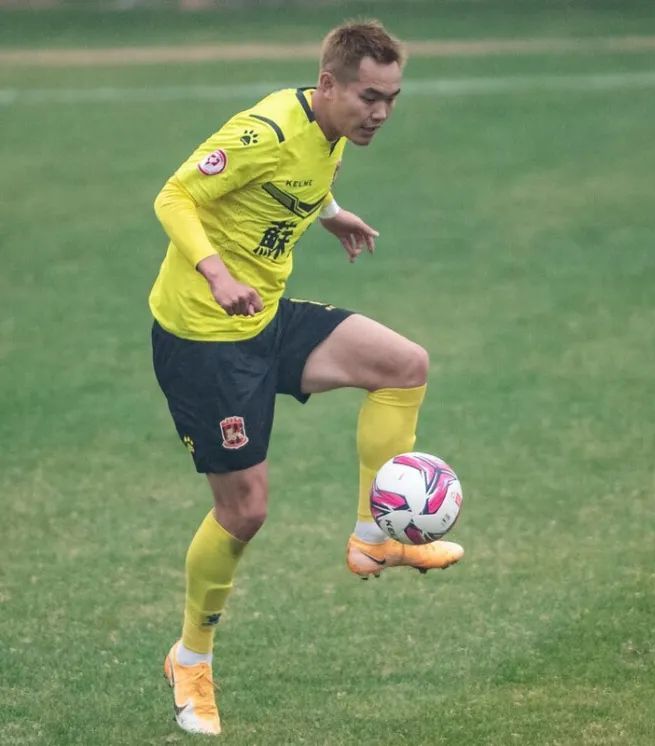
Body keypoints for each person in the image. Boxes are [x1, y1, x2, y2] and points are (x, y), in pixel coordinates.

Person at [148, 20, 463, 736]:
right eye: (369, 97)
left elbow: (295, 185)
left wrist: (332, 214)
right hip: (204, 339)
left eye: (391, 99)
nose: (380, 113)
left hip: (264, 318)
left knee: (403, 365)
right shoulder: (263, 131)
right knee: (244, 513)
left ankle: (374, 535)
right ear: (328, 85)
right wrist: (216, 273)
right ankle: (190, 659)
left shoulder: (330, 133)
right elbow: (174, 197)